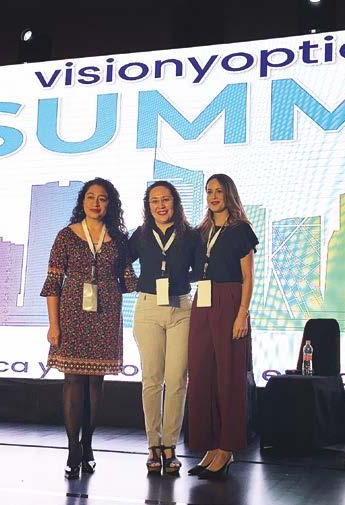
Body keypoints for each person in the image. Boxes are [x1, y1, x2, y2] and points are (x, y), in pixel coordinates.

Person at [41, 178, 137, 479]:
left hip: (106, 316)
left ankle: (88, 445)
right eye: (90, 197)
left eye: (102, 198)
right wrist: (53, 325)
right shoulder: (66, 236)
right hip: (71, 316)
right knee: (72, 381)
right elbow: (53, 284)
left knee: (96, 383)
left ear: (110, 204)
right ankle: (73, 449)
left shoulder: (118, 239)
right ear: (82, 201)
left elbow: (129, 282)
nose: (96, 203)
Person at [186, 174, 258, 480]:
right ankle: (211, 446)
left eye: (219, 191)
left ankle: (227, 448)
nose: (213, 196)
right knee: (201, 373)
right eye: (209, 191)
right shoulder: (201, 231)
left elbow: (248, 276)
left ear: (229, 194)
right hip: (202, 299)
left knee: (228, 376)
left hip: (230, 300)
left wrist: (242, 314)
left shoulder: (241, 229)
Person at [128, 181, 202, 474]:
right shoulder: (141, 234)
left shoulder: (191, 235)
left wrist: (179, 279)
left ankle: (170, 444)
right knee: (152, 380)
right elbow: (121, 262)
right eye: (154, 201)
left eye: (166, 199)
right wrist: (137, 282)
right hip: (148, 308)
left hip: (181, 308)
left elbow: (201, 270)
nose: (160, 205)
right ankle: (153, 445)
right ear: (148, 206)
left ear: (175, 202)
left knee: (177, 379)